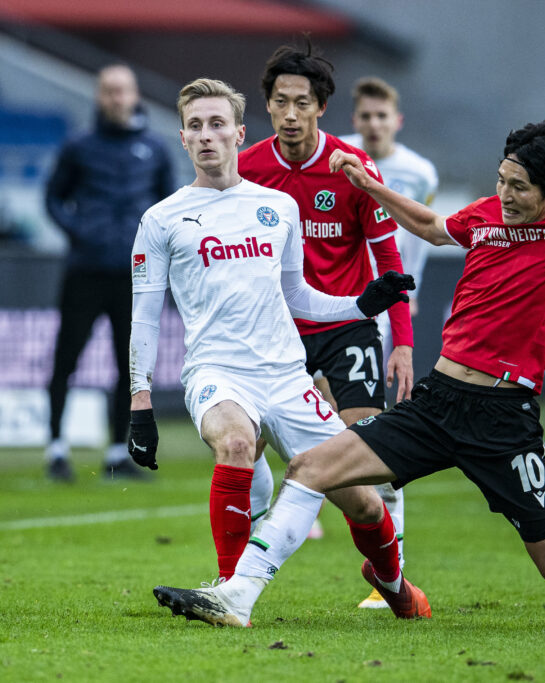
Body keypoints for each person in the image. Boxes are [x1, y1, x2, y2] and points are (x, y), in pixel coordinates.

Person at [156, 96, 545, 630]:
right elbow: (435, 228)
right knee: (311, 466)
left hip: (503, 420)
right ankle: (238, 598)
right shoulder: (487, 217)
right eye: (501, 180)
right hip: (437, 403)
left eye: (520, 188)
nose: (505, 195)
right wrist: (374, 187)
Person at [126, 78, 427, 620]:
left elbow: (300, 297)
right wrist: (139, 401)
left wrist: (361, 305)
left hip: (288, 376)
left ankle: (396, 585)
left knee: (363, 499)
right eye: (195, 126)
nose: (207, 136)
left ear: (240, 134)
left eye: (218, 124)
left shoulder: (277, 207)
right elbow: (144, 317)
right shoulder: (161, 220)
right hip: (217, 372)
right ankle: (228, 589)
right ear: (182, 138)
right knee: (237, 445)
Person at [237, 44, 415, 602]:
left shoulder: (354, 170)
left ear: (321, 108)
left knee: (369, 455)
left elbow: (390, 264)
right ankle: (242, 565)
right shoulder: (247, 169)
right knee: (246, 445)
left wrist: (403, 343)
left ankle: (392, 573)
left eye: (302, 104)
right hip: (275, 331)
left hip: (345, 325)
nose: (290, 114)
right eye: (280, 103)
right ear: (267, 106)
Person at [44, 64, 175, 482]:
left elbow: (168, 208)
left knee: (131, 367)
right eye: (109, 91)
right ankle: (56, 450)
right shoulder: (78, 146)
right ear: (99, 96)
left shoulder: (155, 149)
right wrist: (80, 233)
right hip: (84, 271)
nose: (117, 98)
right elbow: (52, 198)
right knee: (66, 360)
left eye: (123, 90)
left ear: (135, 94)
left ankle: (119, 453)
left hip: (134, 279)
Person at [340, 76, 439, 609]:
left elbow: (416, 243)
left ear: (396, 121)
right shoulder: (335, 159)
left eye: (384, 117)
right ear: (355, 121)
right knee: (315, 427)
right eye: (367, 117)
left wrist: (406, 307)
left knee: (378, 436)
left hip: (384, 316)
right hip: (334, 313)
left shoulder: (419, 172)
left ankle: (392, 564)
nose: (374, 125)